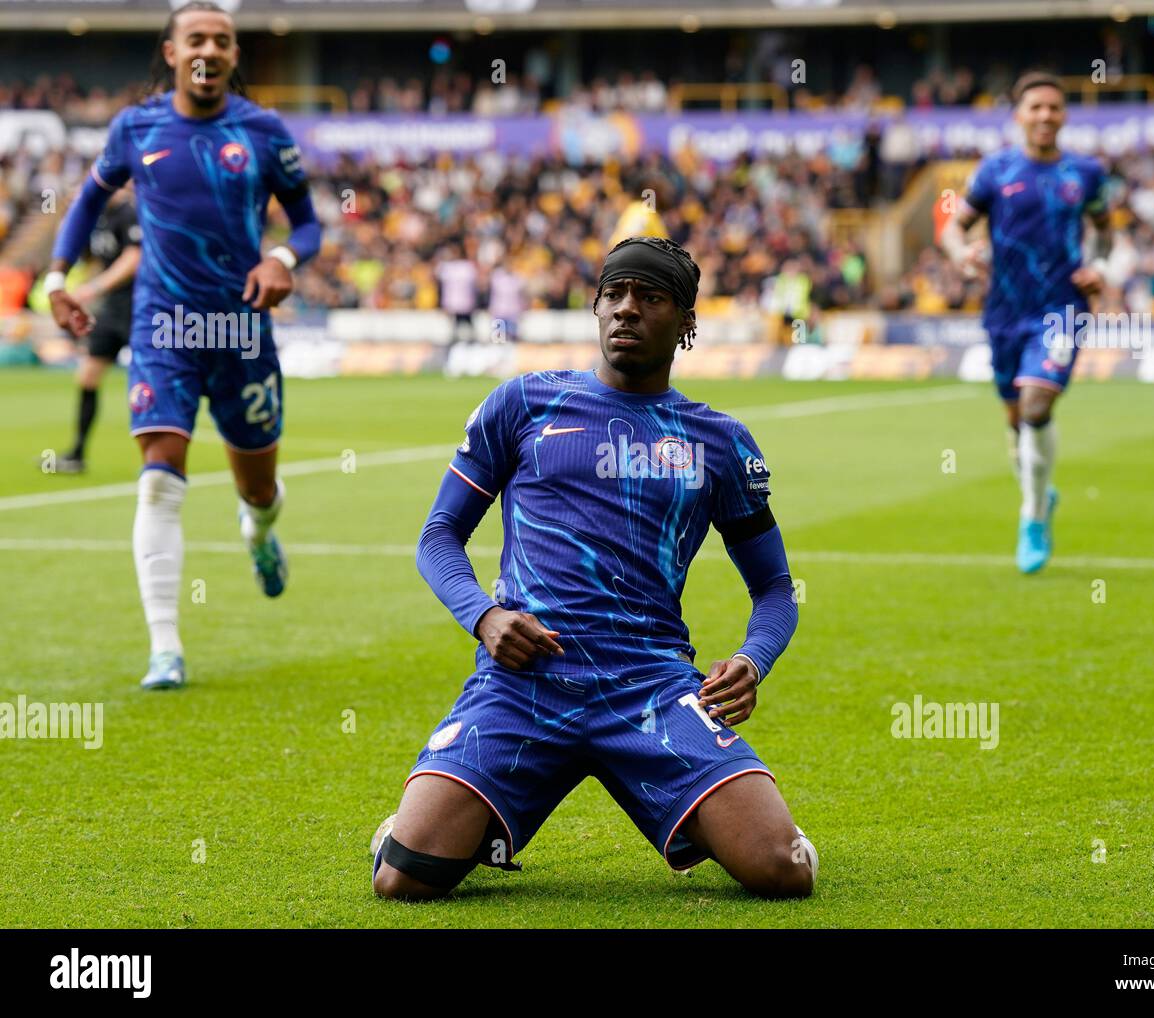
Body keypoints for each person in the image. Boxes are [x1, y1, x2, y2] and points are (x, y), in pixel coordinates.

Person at [370, 236, 815, 900]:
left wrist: (754, 658)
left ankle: (695, 819)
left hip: (652, 685)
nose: (627, 309)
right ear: (597, 306)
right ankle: (435, 826)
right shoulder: (523, 405)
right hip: (525, 681)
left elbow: (775, 588)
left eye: (651, 297)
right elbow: (438, 536)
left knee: (782, 872)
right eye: (614, 293)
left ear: (686, 323)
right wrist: (485, 617)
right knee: (402, 880)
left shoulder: (718, 441)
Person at [42, 1, 320, 688]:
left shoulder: (262, 130)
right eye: (196, 36)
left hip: (242, 331)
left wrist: (282, 259)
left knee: (258, 489)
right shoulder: (136, 128)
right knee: (160, 479)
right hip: (163, 328)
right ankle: (165, 646)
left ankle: (257, 533)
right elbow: (84, 201)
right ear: (172, 52)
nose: (211, 47)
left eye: (223, 39)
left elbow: (310, 224)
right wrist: (57, 276)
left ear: (232, 56)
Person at [941, 71, 1110, 574]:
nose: (1045, 116)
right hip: (1005, 312)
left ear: (1064, 115)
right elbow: (955, 226)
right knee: (1016, 422)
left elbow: (1105, 233)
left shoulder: (1086, 173)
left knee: (1037, 404)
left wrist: (1100, 266)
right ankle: (1040, 493)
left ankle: (1032, 516)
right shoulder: (995, 171)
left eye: (1054, 108)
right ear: (1019, 115)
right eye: (1035, 107)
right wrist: (961, 254)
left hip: (1063, 308)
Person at [46, 188, 142, 474]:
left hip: (143, 306)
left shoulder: (129, 212)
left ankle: (159, 461)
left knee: (151, 380)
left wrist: (94, 288)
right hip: (113, 308)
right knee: (87, 375)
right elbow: (99, 260)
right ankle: (76, 453)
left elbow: (134, 258)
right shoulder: (100, 217)